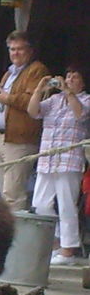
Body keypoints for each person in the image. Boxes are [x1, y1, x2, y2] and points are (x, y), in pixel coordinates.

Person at [28, 66, 90, 266]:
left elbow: (81, 114)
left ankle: (68, 249)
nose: (70, 78)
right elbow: (33, 111)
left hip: (69, 160)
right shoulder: (54, 101)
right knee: (40, 204)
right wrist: (39, 89)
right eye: (68, 75)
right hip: (47, 159)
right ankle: (54, 242)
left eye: (75, 76)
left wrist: (68, 91)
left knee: (66, 205)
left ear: (82, 82)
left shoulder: (86, 99)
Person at [0, 30, 49, 211]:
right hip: (1, 137)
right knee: (2, 192)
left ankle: (16, 237)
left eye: (20, 49)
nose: (15, 53)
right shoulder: (10, 72)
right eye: (12, 49)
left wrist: (5, 97)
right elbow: (0, 96)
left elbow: (30, 102)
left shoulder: (37, 70)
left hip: (20, 139)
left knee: (13, 194)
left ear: (30, 51)